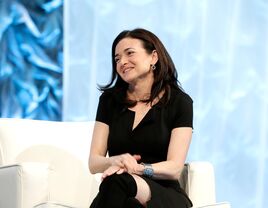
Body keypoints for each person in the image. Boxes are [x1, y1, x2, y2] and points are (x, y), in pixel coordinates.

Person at [88, 28, 193, 208]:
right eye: (117, 58)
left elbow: (175, 168)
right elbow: (94, 162)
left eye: (129, 53)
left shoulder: (179, 102)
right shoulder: (109, 101)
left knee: (118, 181)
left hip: (163, 192)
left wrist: (138, 168)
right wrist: (115, 160)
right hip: (119, 191)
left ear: (153, 57)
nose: (122, 62)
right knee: (128, 202)